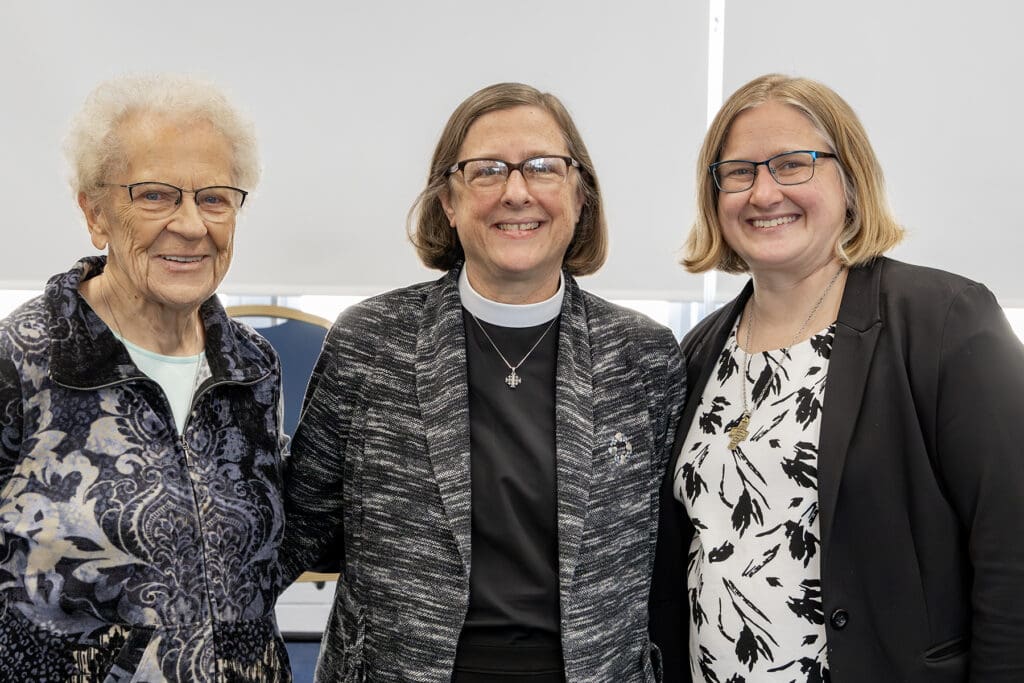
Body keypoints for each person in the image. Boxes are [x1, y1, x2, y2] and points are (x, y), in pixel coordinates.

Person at [282, 82, 686, 682]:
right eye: (487, 170)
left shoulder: (644, 356)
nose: (516, 192)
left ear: (580, 196)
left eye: (543, 167)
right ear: (448, 201)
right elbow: (298, 531)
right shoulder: (371, 341)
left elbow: (672, 566)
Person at [650, 73, 1024, 682]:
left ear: (850, 180)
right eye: (739, 172)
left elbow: (1012, 550)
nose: (763, 192)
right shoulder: (697, 353)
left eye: (792, 164)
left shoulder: (945, 322)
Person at [0, 75, 290, 681]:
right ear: (95, 212)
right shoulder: (21, 359)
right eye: (155, 195)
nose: (191, 225)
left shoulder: (251, 367)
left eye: (215, 198)